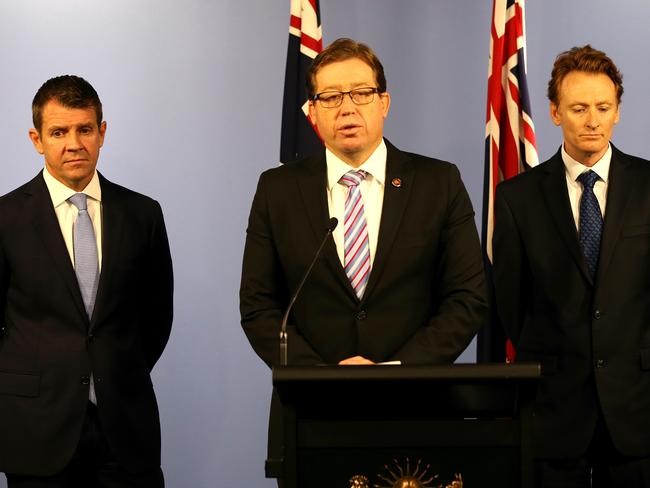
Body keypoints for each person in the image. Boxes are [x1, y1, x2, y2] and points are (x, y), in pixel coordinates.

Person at [239, 38, 487, 482]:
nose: (347, 108)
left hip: (419, 409)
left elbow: (467, 299)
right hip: (311, 417)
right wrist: (324, 377)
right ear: (312, 113)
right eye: (330, 97)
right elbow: (259, 307)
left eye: (360, 93)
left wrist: (394, 373)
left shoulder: (438, 182)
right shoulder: (277, 190)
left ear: (384, 102)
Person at [0, 75, 173, 487]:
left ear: (102, 132)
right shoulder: (6, 219)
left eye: (85, 129)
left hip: (126, 430)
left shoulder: (143, 214)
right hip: (36, 433)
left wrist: (114, 371)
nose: (73, 143)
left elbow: (155, 320)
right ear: (37, 139)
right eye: (58, 132)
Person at [493, 45, 650, 487]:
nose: (593, 120)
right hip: (554, 408)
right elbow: (511, 301)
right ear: (554, 112)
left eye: (603, 107)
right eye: (579, 108)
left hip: (638, 408)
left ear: (618, 111)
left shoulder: (647, 185)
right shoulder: (518, 197)